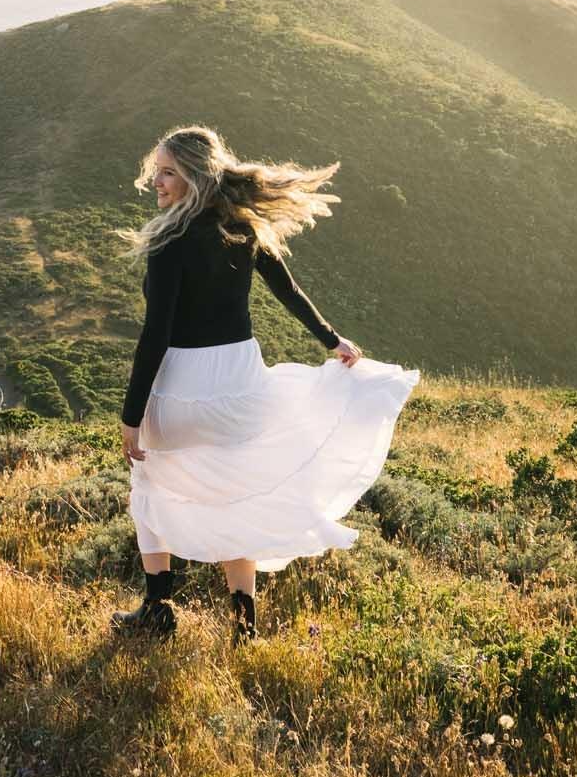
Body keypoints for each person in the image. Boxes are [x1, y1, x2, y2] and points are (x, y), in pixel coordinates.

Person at [113, 124, 418, 639]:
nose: (156, 183)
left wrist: (131, 416)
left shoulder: (168, 241)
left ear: (193, 176)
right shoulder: (245, 228)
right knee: (235, 497)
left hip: (183, 387)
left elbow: (155, 335)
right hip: (239, 385)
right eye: (157, 172)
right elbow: (288, 290)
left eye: (167, 173)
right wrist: (333, 341)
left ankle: (158, 612)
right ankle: (243, 626)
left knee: (149, 489)